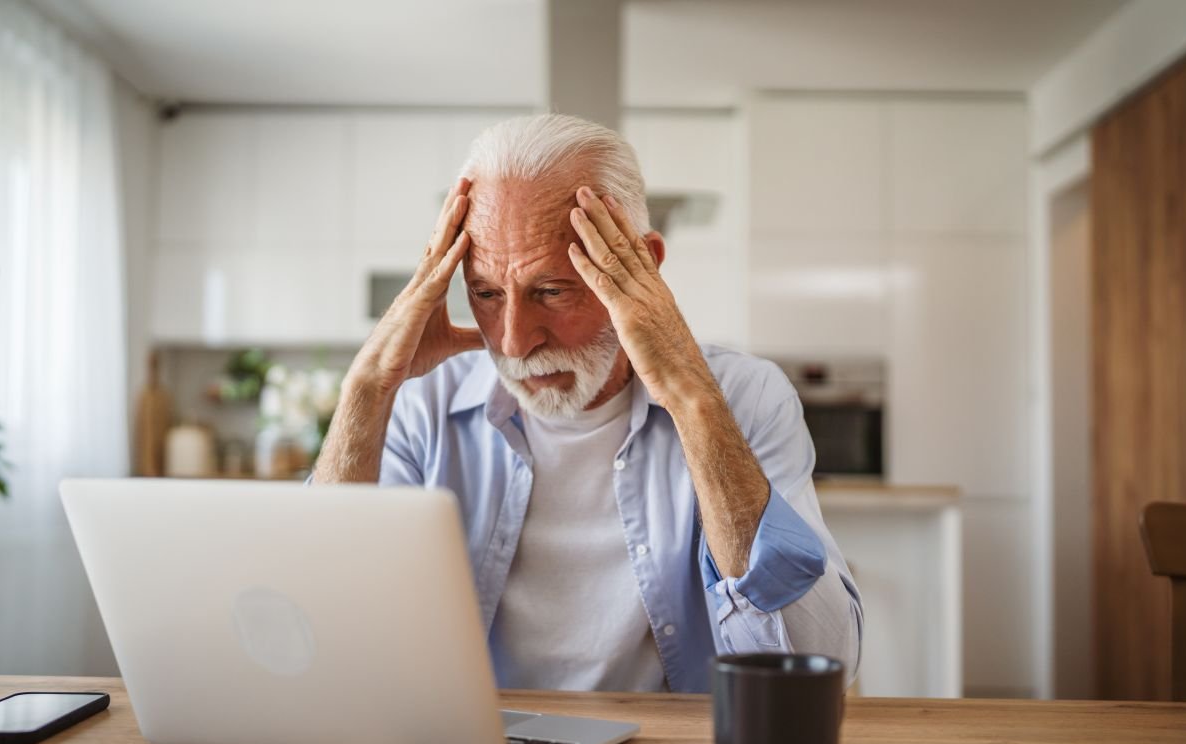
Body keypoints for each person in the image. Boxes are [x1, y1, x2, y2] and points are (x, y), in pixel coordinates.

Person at [312, 114, 862, 693]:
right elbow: (324, 632)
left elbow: (820, 659)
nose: (514, 340)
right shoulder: (421, 405)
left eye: (551, 291)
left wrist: (693, 400)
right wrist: (367, 388)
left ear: (641, 266)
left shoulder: (745, 397)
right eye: (486, 293)